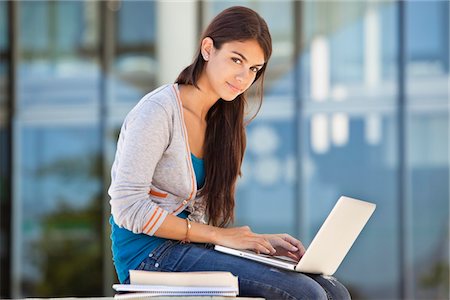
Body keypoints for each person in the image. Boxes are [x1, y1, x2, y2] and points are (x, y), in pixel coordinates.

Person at [108, 6, 351, 300]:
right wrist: (220, 236)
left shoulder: (221, 121)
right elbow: (127, 207)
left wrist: (256, 243)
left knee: (332, 290)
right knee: (305, 293)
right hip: (148, 257)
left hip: (188, 249)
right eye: (236, 60)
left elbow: (199, 220)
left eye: (254, 69)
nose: (243, 77)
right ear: (208, 49)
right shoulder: (157, 112)